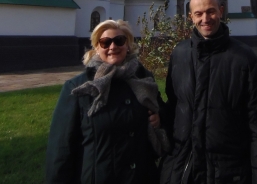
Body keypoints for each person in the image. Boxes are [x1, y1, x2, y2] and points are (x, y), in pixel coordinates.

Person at [160, 0, 257, 184]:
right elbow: (174, 107)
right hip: (183, 170)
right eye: (198, 13)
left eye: (211, 11)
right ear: (190, 17)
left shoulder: (244, 59)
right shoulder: (179, 54)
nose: (205, 18)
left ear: (221, 11)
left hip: (227, 173)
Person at [46, 19, 169, 184]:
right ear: (97, 47)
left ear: (128, 45)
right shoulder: (79, 88)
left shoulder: (144, 80)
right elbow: (61, 148)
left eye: (119, 40)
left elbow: (162, 115)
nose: (113, 47)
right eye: (105, 42)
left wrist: (159, 120)